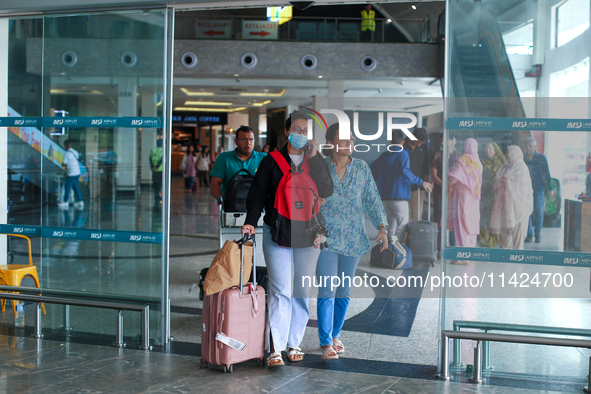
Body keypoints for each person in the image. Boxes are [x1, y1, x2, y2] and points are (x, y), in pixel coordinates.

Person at [240, 111, 333, 367]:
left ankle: (294, 343)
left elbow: (327, 190)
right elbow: (257, 194)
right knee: (280, 290)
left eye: (305, 131)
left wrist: (316, 159)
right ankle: (276, 348)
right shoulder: (271, 161)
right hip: (276, 231)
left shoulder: (315, 160)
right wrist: (250, 221)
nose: (300, 135)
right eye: (297, 129)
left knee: (301, 292)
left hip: (309, 234)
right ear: (286, 131)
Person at [316, 124, 387, 361]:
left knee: (343, 292)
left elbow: (372, 199)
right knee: (327, 291)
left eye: (352, 139)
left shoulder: (361, 168)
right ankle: (326, 342)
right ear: (332, 143)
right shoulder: (320, 167)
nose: (350, 143)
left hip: (353, 239)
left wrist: (382, 228)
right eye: (344, 139)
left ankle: (335, 336)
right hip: (325, 237)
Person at [371, 130, 433, 243]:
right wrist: (421, 182)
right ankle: (399, 250)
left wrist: (383, 180)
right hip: (400, 196)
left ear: (390, 141)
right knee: (402, 225)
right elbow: (405, 171)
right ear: (403, 141)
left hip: (386, 196)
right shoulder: (403, 154)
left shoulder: (384, 156)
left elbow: (372, 171)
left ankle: (390, 250)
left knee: (392, 225)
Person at [491, 145, 533, 250]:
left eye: (508, 152)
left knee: (517, 232)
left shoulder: (521, 167)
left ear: (514, 153)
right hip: (504, 205)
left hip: (517, 207)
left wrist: (505, 180)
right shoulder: (506, 166)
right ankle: (505, 255)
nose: (506, 155)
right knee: (505, 231)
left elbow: (521, 185)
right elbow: (499, 180)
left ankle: (518, 255)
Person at [447, 138, 482, 262]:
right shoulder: (478, 162)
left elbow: (452, 179)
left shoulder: (463, 161)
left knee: (461, 225)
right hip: (474, 199)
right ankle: (470, 255)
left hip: (462, 197)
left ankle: (462, 257)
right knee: (471, 226)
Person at [210, 126, 266, 202]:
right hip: (231, 207)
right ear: (236, 141)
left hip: (257, 208)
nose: (248, 143)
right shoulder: (224, 158)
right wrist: (221, 199)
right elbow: (215, 182)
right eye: (244, 139)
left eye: (251, 139)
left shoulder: (263, 158)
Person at [431, 132, 460, 250]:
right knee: (439, 220)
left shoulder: (459, 156)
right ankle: (439, 247)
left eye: (446, 140)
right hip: (439, 193)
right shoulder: (437, 156)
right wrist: (444, 186)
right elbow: (434, 174)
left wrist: (451, 187)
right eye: (441, 140)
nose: (443, 143)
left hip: (454, 194)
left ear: (454, 141)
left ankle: (452, 246)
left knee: (453, 219)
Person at [523, 137, 554, 243]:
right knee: (527, 211)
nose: (528, 148)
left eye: (530, 146)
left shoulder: (541, 158)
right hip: (525, 189)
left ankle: (538, 233)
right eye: (527, 146)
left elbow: (547, 174)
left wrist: (551, 188)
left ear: (535, 147)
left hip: (538, 188)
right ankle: (529, 234)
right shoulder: (523, 159)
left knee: (539, 211)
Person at [478, 142, 506, 248]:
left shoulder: (501, 164)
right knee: (482, 220)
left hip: (496, 198)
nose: (487, 151)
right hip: (483, 197)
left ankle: (493, 242)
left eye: (490, 149)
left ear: (495, 150)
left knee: (494, 220)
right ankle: (484, 242)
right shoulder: (481, 162)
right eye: (486, 149)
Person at [404, 127, 431, 222]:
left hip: (418, 186)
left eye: (421, 143)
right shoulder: (402, 145)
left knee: (416, 216)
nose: (419, 144)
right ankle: (402, 237)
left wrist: (426, 185)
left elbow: (425, 168)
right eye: (418, 142)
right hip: (402, 187)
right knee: (402, 217)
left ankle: (413, 237)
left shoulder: (424, 147)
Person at [58, 139, 84, 209]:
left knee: (67, 186)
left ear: (65, 146)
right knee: (75, 187)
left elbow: (64, 164)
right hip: (77, 172)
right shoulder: (75, 152)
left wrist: (62, 164)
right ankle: (80, 201)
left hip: (71, 173)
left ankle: (65, 201)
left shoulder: (67, 153)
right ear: (70, 145)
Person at [150, 138, 164, 206]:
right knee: (159, 183)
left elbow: (150, 159)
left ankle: (156, 194)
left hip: (154, 170)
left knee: (155, 182)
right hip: (160, 170)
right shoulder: (162, 151)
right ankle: (157, 194)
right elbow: (162, 160)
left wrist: (153, 166)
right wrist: (157, 166)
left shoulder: (152, 150)